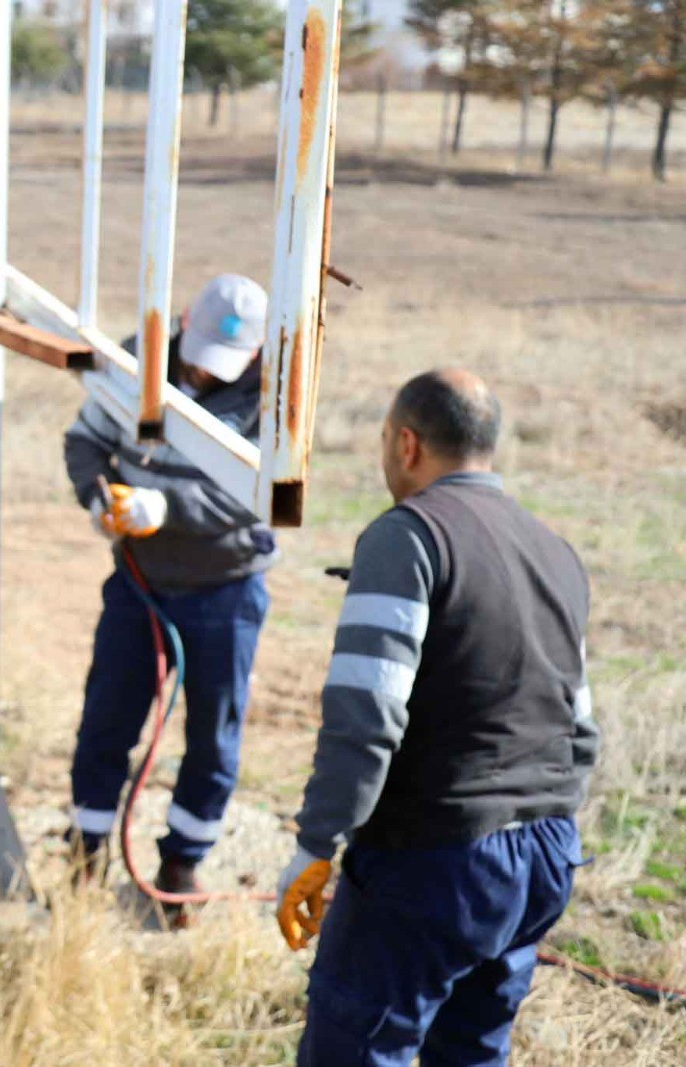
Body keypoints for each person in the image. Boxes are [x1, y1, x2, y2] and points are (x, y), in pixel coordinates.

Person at [276, 369, 598, 1066]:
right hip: (543, 855)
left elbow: (366, 718)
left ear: (407, 443)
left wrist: (315, 845)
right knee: (473, 1052)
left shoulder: (408, 537)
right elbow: (581, 727)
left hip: (435, 858)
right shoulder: (557, 553)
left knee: (358, 1049)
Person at [63, 274, 278, 904]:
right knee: (106, 718)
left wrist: (168, 506)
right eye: (199, 357)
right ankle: (85, 854)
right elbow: (84, 442)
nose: (206, 375)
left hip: (225, 589)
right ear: (184, 322)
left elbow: (259, 490)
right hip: (139, 582)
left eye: (224, 367)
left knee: (214, 733)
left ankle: (181, 868)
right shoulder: (135, 365)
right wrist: (100, 493)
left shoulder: (276, 395)